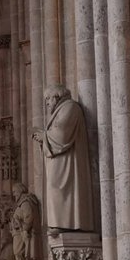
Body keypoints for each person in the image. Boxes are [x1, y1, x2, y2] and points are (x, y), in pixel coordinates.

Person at [31, 85, 97, 232]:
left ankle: (65, 225)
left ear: (57, 96)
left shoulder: (70, 107)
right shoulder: (62, 109)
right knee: (54, 191)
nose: (46, 103)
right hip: (60, 163)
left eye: (48, 98)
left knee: (59, 191)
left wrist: (44, 136)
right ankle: (60, 224)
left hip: (67, 165)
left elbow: (62, 135)